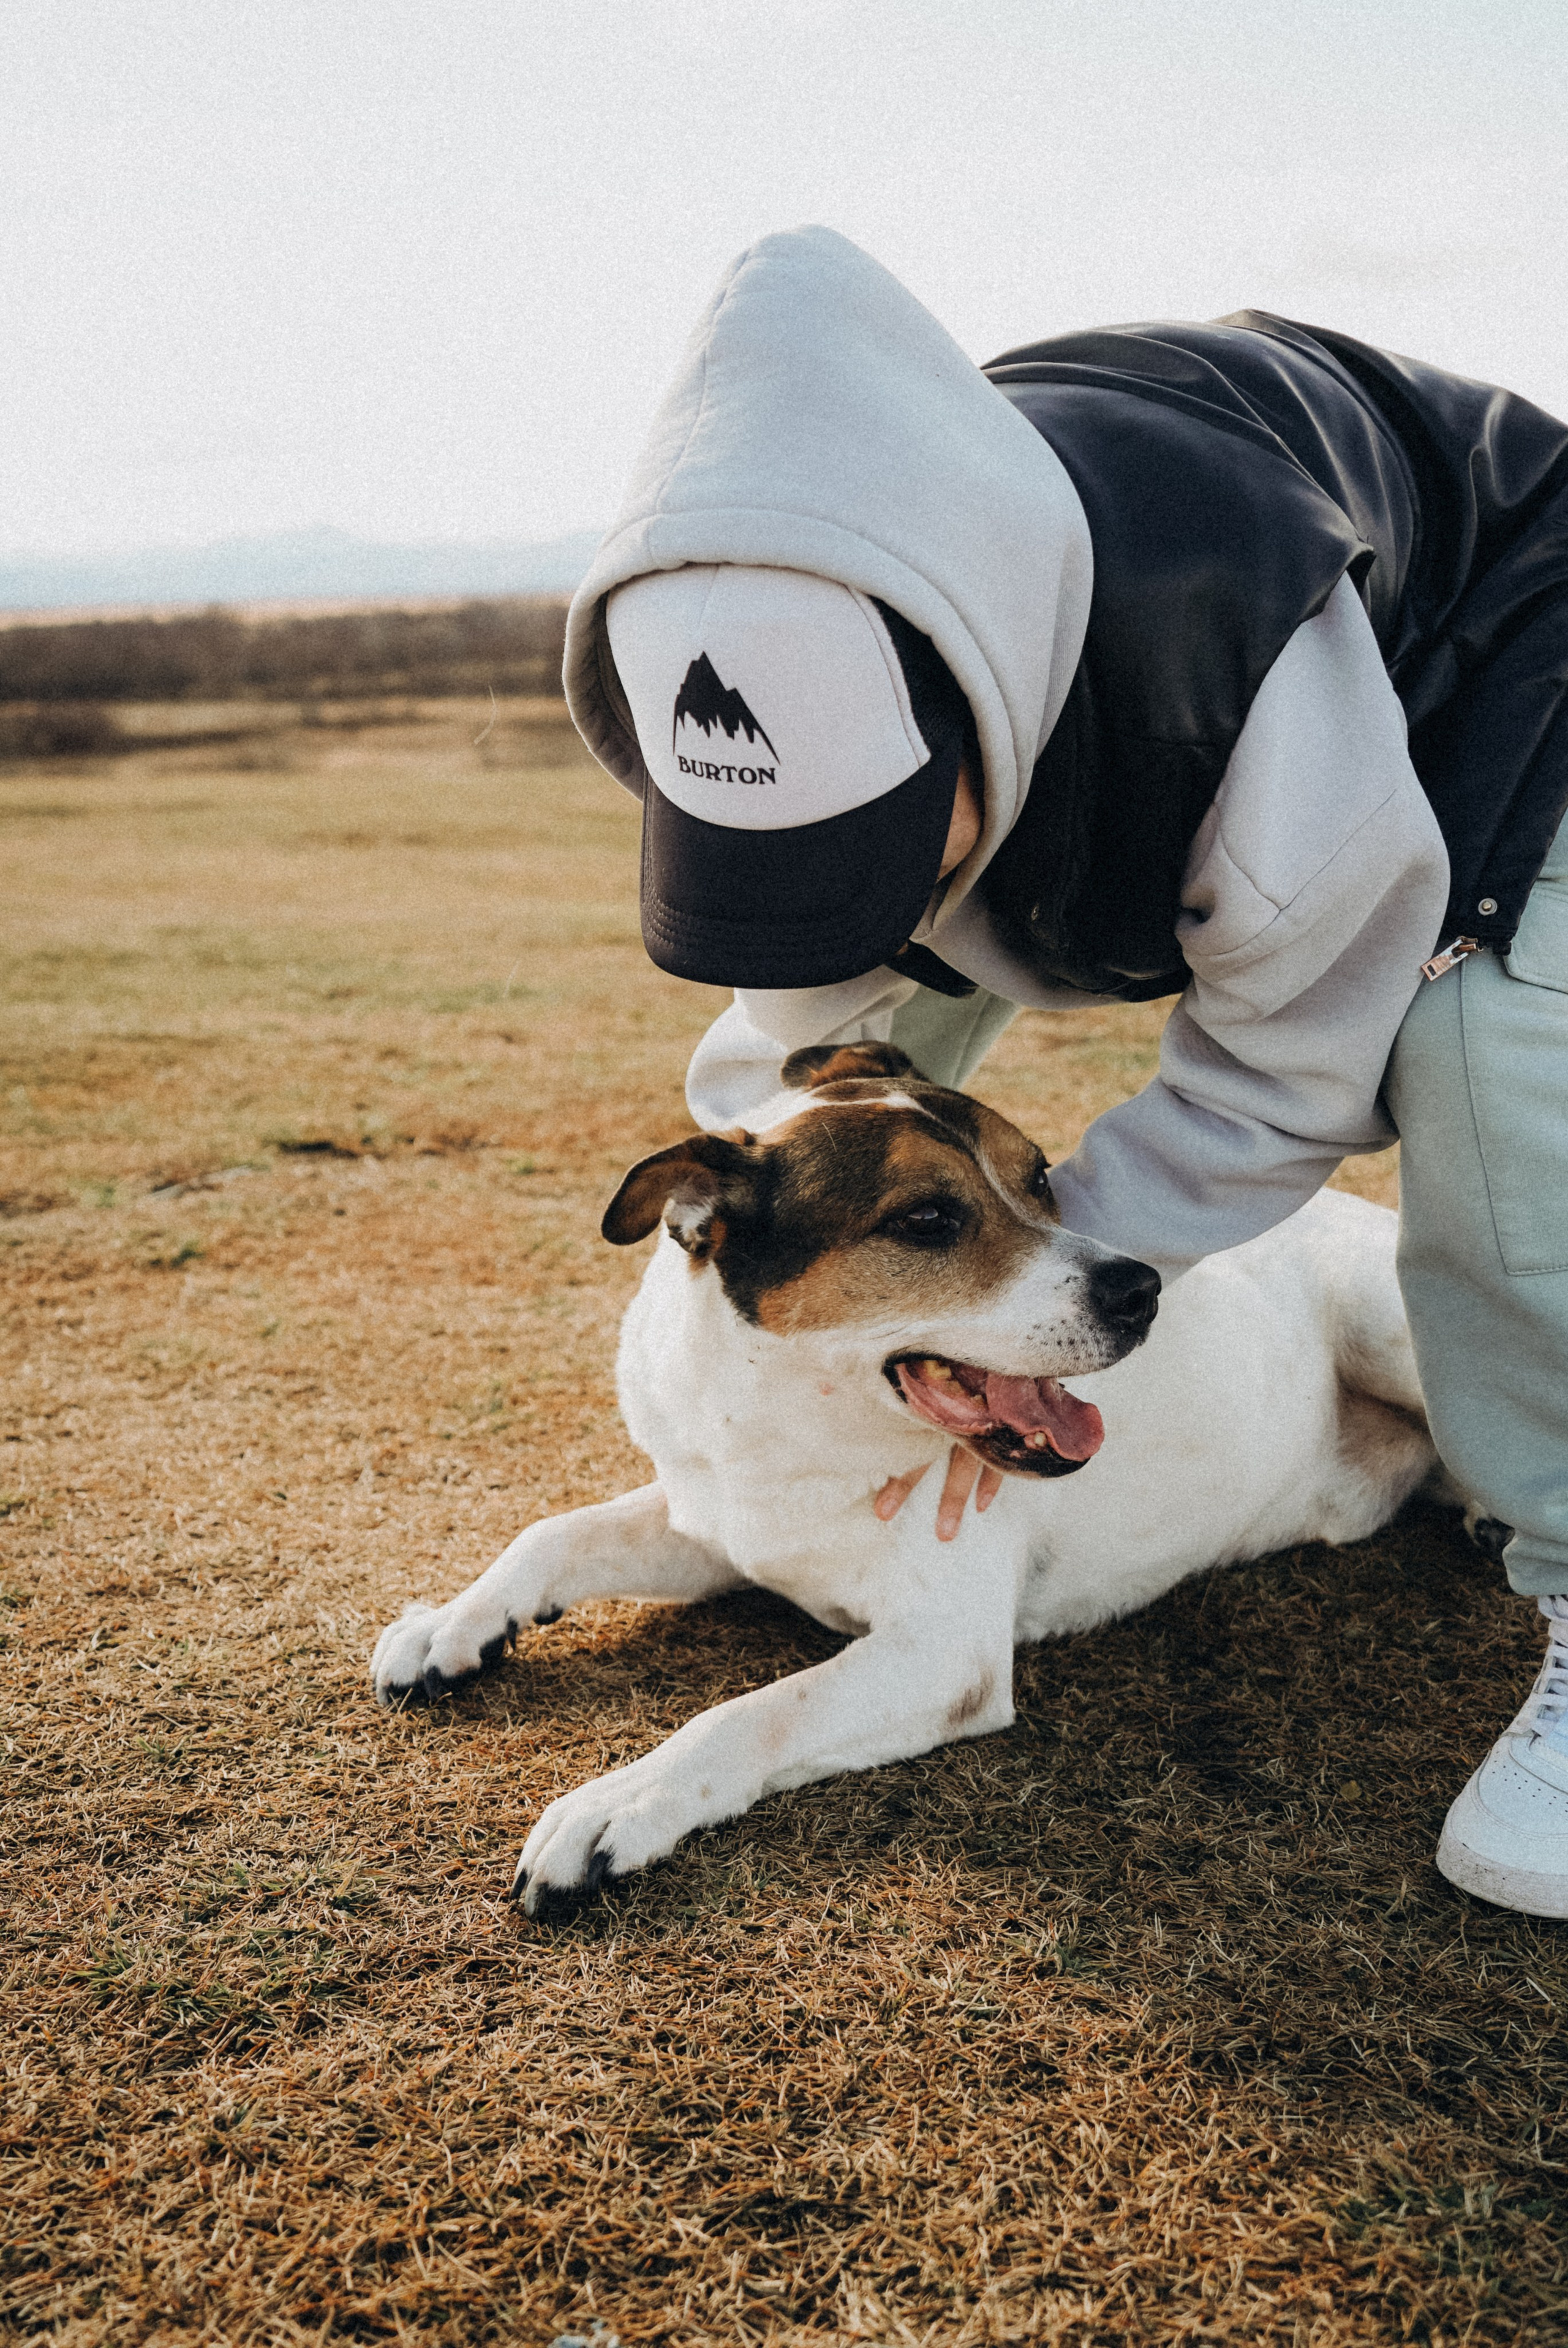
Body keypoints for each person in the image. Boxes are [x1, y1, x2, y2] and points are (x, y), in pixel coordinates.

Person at [561, 226, 1568, 1921]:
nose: (858, 907)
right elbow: (799, 1057)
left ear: (977, 698)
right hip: (1126, 685)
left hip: (1516, 638)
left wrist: (1013, 1313)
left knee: (1487, 1049)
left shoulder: (1220, 669)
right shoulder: (809, 635)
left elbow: (1283, 1077)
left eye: (881, 847)